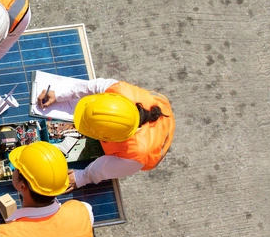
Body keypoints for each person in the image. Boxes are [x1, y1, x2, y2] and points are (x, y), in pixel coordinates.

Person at [38, 79, 175, 190]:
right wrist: (59, 94)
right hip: (158, 107)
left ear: (108, 138)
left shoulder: (136, 154)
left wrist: (82, 177)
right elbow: (92, 87)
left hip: (158, 139)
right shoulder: (119, 91)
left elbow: (103, 169)